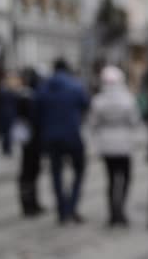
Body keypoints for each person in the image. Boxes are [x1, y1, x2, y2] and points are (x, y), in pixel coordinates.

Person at [35, 59, 89, 225]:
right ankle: (71, 206)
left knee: (56, 173)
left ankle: (61, 209)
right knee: (79, 170)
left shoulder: (43, 87)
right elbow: (86, 104)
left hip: (51, 137)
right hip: (72, 135)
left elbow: (36, 112)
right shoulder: (75, 85)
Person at [88, 66, 142, 228]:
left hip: (106, 145)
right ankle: (121, 210)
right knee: (125, 178)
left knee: (111, 179)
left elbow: (93, 123)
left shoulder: (98, 100)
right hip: (124, 144)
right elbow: (134, 121)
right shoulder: (128, 99)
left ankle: (113, 212)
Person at [16, 69, 46, 217]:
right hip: (30, 140)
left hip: (32, 140)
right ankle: (28, 204)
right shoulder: (27, 96)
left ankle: (32, 202)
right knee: (29, 172)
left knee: (32, 171)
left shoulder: (29, 95)